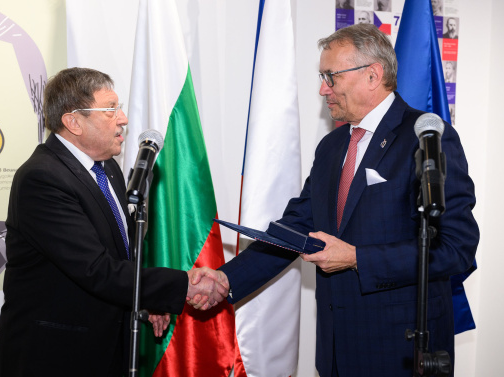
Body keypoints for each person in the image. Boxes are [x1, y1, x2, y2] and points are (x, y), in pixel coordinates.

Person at [195, 24, 478, 376]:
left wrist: (357, 258)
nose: (322, 89)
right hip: (335, 352)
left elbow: (455, 248)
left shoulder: (426, 138)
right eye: (322, 76)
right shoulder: (332, 146)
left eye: (331, 76)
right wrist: (225, 280)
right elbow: (295, 229)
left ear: (373, 75)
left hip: (402, 351)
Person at [0, 67, 228, 377]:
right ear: (73, 121)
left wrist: (149, 299)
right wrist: (183, 284)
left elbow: (124, 252)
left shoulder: (107, 169)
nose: (123, 119)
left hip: (106, 350)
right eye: (110, 109)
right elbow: (96, 270)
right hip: (54, 357)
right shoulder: (42, 179)